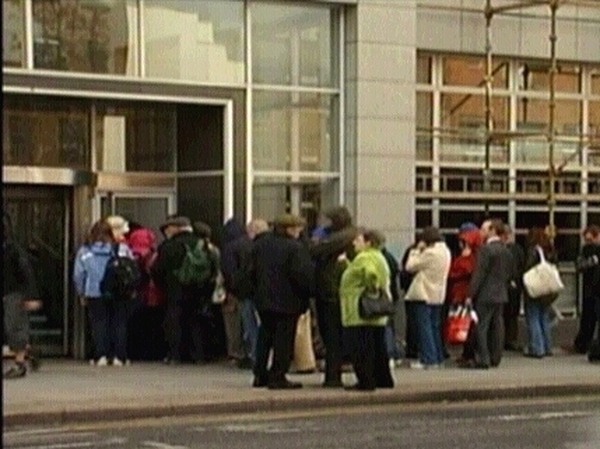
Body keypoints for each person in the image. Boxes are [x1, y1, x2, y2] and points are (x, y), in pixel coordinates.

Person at [250, 214, 315, 390]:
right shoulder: (295, 248)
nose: (299, 232)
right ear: (290, 229)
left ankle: (260, 374)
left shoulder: (261, 244)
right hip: (288, 301)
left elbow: (250, 271)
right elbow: (302, 276)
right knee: (283, 341)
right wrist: (308, 294)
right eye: (298, 229)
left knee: (264, 337)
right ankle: (278, 376)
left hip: (263, 300)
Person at [73, 220, 135, 367]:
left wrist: (81, 292)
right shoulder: (121, 248)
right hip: (118, 290)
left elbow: (79, 275)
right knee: (119, 323)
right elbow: (131, 268)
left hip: (94, 291)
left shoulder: (85, 251)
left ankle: (100, 356)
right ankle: (119, 357)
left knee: (98, 324)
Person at [152, 216, 212, 365]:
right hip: (199, 289)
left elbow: (157, 269)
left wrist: (164, 285)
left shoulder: (168, 246)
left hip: (175, 289)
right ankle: (198, 355)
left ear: (174, 228)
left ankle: (175, 355)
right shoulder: (202, 243)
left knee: (174, 321)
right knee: (196, 322)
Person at [340, 229, 394, 391]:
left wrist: (372, 286)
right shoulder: (379, 256)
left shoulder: (365, 257)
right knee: (378, 349)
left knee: (361, 349)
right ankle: (383, 379)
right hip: (376, 313)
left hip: (359, 311)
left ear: (368, 242)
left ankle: (366, 381)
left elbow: (369, 274)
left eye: (358, 240)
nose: (354, 243)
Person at [309, 206, 357, 388]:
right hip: (331, 290)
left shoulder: (340, 238)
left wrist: (317, 241)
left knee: (332, 336)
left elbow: (314, 250)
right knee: (332, 337)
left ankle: (333, 375)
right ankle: (333, 374)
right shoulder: (339, 236)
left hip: (332, 292)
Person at [463, 219, 513, 370]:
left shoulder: (485, 250)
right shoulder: (506, 250)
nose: (481, 232)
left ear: (492, 230)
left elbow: (479, 274)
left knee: (481, 326)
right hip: (500, 293)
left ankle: (483, 358)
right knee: (498, 326)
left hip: (485, 294)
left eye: (484, 229)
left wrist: (470, 294)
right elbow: (509, 273)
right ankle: (495, 357)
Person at [221, 218, 270, 370]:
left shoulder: (233, 247)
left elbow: (230, 271)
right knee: (263, 325)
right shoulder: (266, 246)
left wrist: (234, 289)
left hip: (244, 292)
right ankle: (262, 356)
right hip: (264, 292)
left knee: (248, 325)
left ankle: (251, 355)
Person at [404, 226, 452, 369]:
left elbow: (410, 266)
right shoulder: (446, 252)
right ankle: (437, 356)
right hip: (438, 294)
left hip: (424, 292)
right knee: (434, 327)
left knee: (424, 328)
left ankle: (428, 359)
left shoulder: (430, 253)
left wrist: (415, 251)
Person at [3, 212, 42, 379]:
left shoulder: (12, 249)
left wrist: (31, 295)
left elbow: (25, 272)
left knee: (14, 328)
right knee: (10, 328)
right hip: (8, 291)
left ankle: (20, 364)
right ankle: (30, 350)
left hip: (13, 293)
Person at [125, 221, 165, 361]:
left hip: (135, 295)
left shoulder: (129, 254)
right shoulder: (154, 254)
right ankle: (153, 353)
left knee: (134, 325)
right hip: (154, 295)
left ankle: (134, 353)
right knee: (152, 326)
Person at [446, 226, 482, 363]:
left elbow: (460, 271)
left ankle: (469, 353)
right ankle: (467, 353)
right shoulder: (473, 255)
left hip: (463, 293)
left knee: (467, 325)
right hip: (462, 293)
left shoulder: (469, 258)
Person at [523, 227, 558, 359]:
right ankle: (547, 346)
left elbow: (528, 268)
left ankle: (537, 348)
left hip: (536, 288)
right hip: (547, 290)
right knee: (543, 317)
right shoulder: (550, 249)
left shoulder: (533, 250)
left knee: (533, 317)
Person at [219, 218, 247, 366]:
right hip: (249, 291)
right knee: (247, 324)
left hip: (233, 292)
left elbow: (228, 271)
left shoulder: (229, 248)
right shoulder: (249, 243)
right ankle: (247, 351)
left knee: (232, 325)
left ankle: (235, 353)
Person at [571, 225, 600, 355]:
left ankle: (584, 344)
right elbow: (579, 265)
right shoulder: (586, 251)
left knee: (588, 317)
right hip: (591, 289)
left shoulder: (586, 250)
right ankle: (584, 343)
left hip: (591, 288)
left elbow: (580, 266)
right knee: (588, 317)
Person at [503, 226, 525, 352]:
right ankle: (510, 339)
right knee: (512, 315)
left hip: (508, 285)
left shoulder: (508, 249)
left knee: (507, 315)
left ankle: (507, 340)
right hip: (514, 286)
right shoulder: (517, 249)